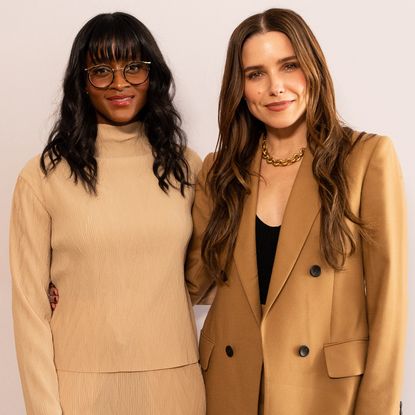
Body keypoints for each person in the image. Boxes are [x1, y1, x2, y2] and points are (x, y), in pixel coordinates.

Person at [185, 8, 407, 415]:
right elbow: (187, 282)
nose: (276, 87)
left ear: (313, 68)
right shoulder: (219, 170)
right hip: (231, 390)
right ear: (240, 87)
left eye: (289, 66)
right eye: (255, 74)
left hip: (325, 394)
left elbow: (388, 304)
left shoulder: (366, 158)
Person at [10, 12, 205, 415]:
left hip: (175, 387)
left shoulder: (187, 167)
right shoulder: (43, 176)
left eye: (134, 67)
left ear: (153, 75)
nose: (120, 83)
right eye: (101, 70)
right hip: (78, 391)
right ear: (81, 81)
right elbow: (30, 309)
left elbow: (201, 281)